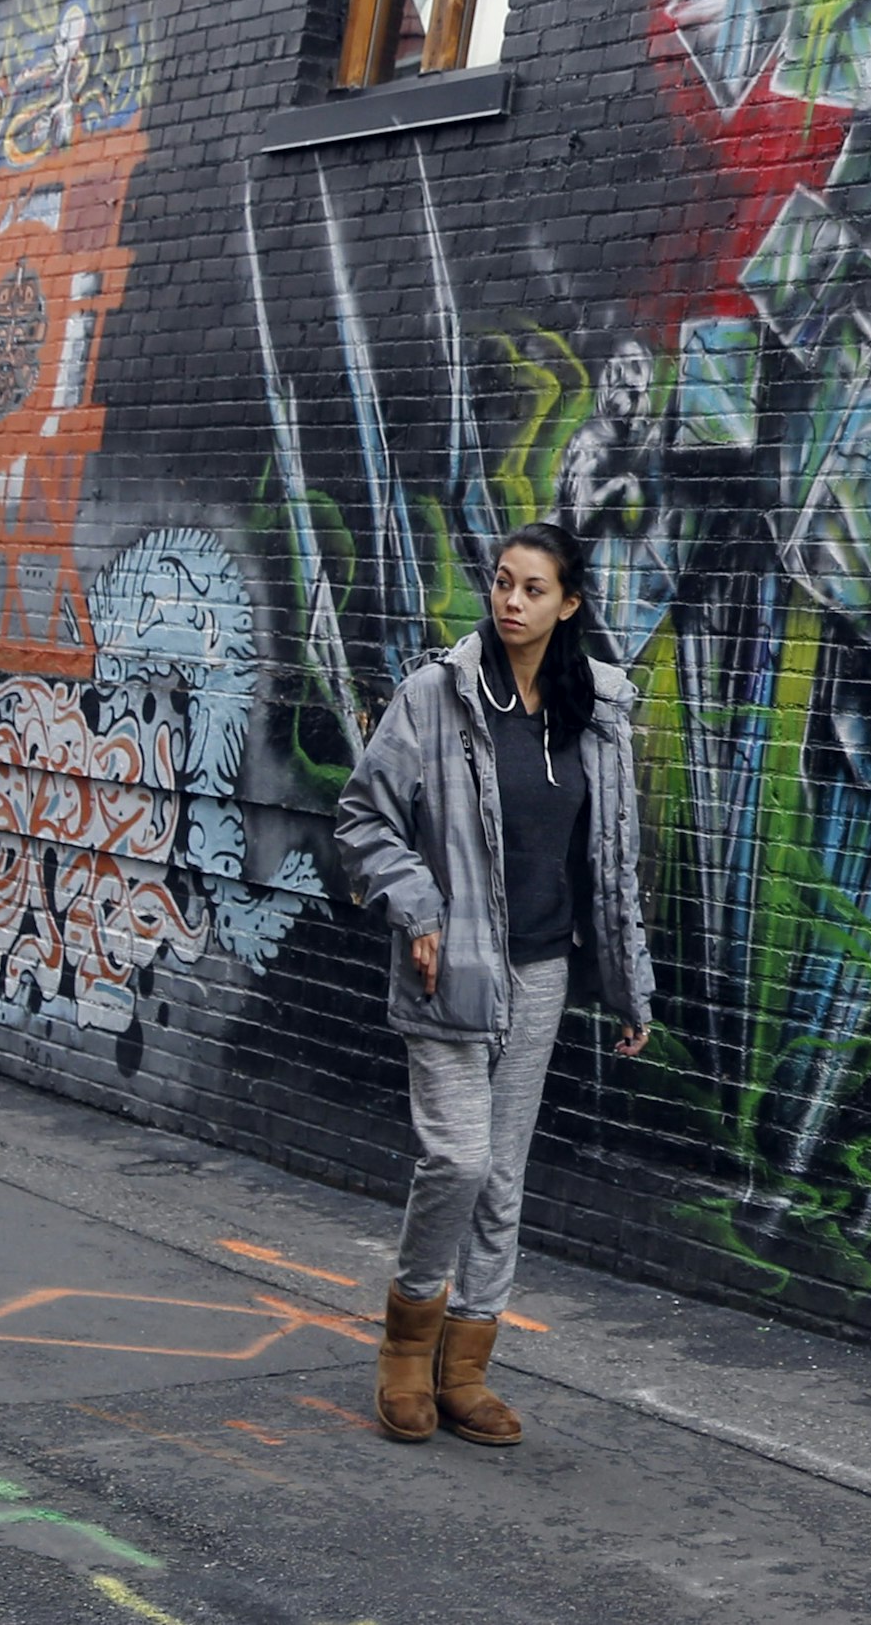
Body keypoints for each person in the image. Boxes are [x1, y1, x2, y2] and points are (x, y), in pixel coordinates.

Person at [335, 520, 655, 1445]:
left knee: (504, 1179)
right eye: (503, 583)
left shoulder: (592, 714)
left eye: (533, 589)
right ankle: (405, 1352)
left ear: (569, 604)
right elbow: (365, 818)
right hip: (452, 964)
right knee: (459, 1159)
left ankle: (465, 1368)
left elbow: (611, 858)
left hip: (544, 971)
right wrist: (420, 908)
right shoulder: (437, 696)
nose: (511, 601)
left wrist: (630, 984)